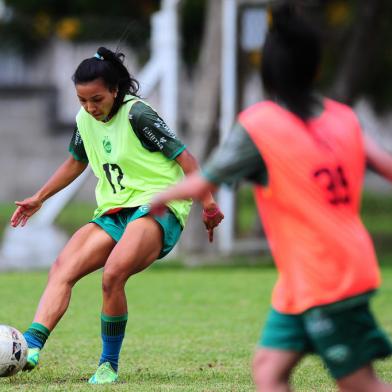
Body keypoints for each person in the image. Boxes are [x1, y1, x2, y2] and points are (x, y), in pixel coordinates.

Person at [150, 5, 392, 392]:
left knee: (360, 384)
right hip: (310, 276)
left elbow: (204, 180)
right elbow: (386, 165)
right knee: (268, 369)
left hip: (328, 277)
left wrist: (158, 199)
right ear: (315, 70)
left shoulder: (262, 124)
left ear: (270, 73)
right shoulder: (343, 117)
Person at [10, 46, 224, 385]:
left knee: (112, 276)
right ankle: (32, 346)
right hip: (114, 209)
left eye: (97, 99)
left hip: (157, 207)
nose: (90, 108)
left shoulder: (139, 115)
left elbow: (187, 160)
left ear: (114, 90)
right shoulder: (85, 120)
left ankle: (108, 365)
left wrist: (208, 203)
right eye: (82, 101)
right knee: (63, 267)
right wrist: (39, 197)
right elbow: (75, 162)